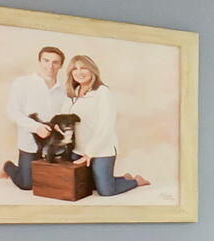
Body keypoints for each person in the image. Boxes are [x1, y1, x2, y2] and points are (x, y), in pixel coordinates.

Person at [63, 54, 151, 196]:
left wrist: (89, 153)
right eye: (75, 69)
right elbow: (64, 117)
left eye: (83, 68)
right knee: (85, 185)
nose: (79, 72)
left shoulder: (102, 92)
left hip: (102, 148)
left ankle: (135, 181)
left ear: (92, 70)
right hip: (78, 149)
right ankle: (121, 178)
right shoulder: (72, 93)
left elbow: (106, 127)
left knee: (106, 191)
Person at [0, 44, 68, 189]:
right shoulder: (22, 83)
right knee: (27, 184)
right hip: (30, 143)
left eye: (55, 62)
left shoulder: (65, 89)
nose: (50, 66)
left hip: (55, 145)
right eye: (46, 60)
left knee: (56, 183)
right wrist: (36, 127)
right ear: (39, 61)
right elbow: (13, 111)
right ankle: (8, 166)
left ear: (61, 65)